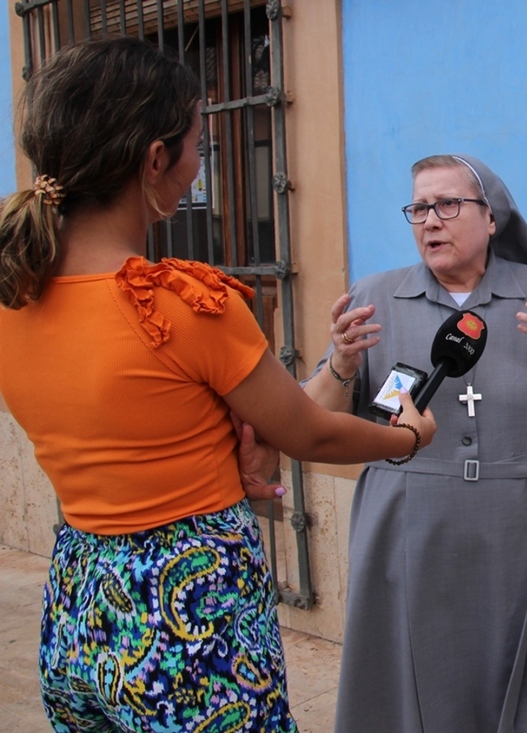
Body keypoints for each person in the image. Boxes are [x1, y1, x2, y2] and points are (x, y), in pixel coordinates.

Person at [0, 37, 435, 732]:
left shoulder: (16, 297)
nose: (201, 164)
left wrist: (213, 452)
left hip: (79, 596)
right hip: (192, 610)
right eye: (199, 143)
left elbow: (124, 422)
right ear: (153, 159)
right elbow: (309, 430)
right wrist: (406, 436)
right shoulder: (182, 304)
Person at [302, 154, 527, 732]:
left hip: (516, 524)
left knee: (506, 684)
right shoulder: (375, 296)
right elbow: (315, 418)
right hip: (406, 521)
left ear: (491, 218)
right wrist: (343, 361)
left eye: (448, 205)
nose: (431, 221)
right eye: (419, 208)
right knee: (410, 691)